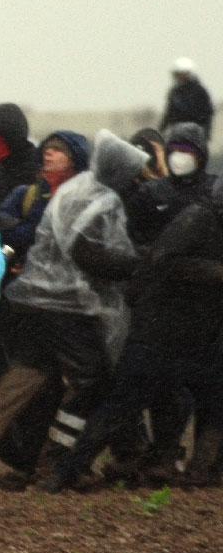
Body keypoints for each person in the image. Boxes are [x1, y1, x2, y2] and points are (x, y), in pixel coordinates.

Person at [0, 131, 149, 486]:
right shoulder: (99, 198)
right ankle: (56, 463)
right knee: (91, 378)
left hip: (33, 301)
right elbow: (86, 252)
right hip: (66, 305)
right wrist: (138, 264)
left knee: (23, 377)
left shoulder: (76, 189)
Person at [50, 172, 223, 491]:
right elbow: (162, 262)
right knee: (123, 404)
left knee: (183, 399)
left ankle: (174, 466)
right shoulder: (199, 218)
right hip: (158, 330)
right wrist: (215, 274)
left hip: (188, 333)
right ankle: (68, 471)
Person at [0, 131, 90, 267]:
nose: (48, 152)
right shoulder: (24, 195)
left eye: (58, 149)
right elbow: (2, 233)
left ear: (74, 159)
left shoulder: (85, 201)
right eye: (46, 148)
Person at [160, 57, 213, 140]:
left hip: (196, 135)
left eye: (182, 74)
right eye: (177, 74)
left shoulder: (200, 91)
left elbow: (207, 114)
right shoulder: (175, 92)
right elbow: (169, 113)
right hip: (176, 134)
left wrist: (206, 134)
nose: (179, 77)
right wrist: (161, 130)